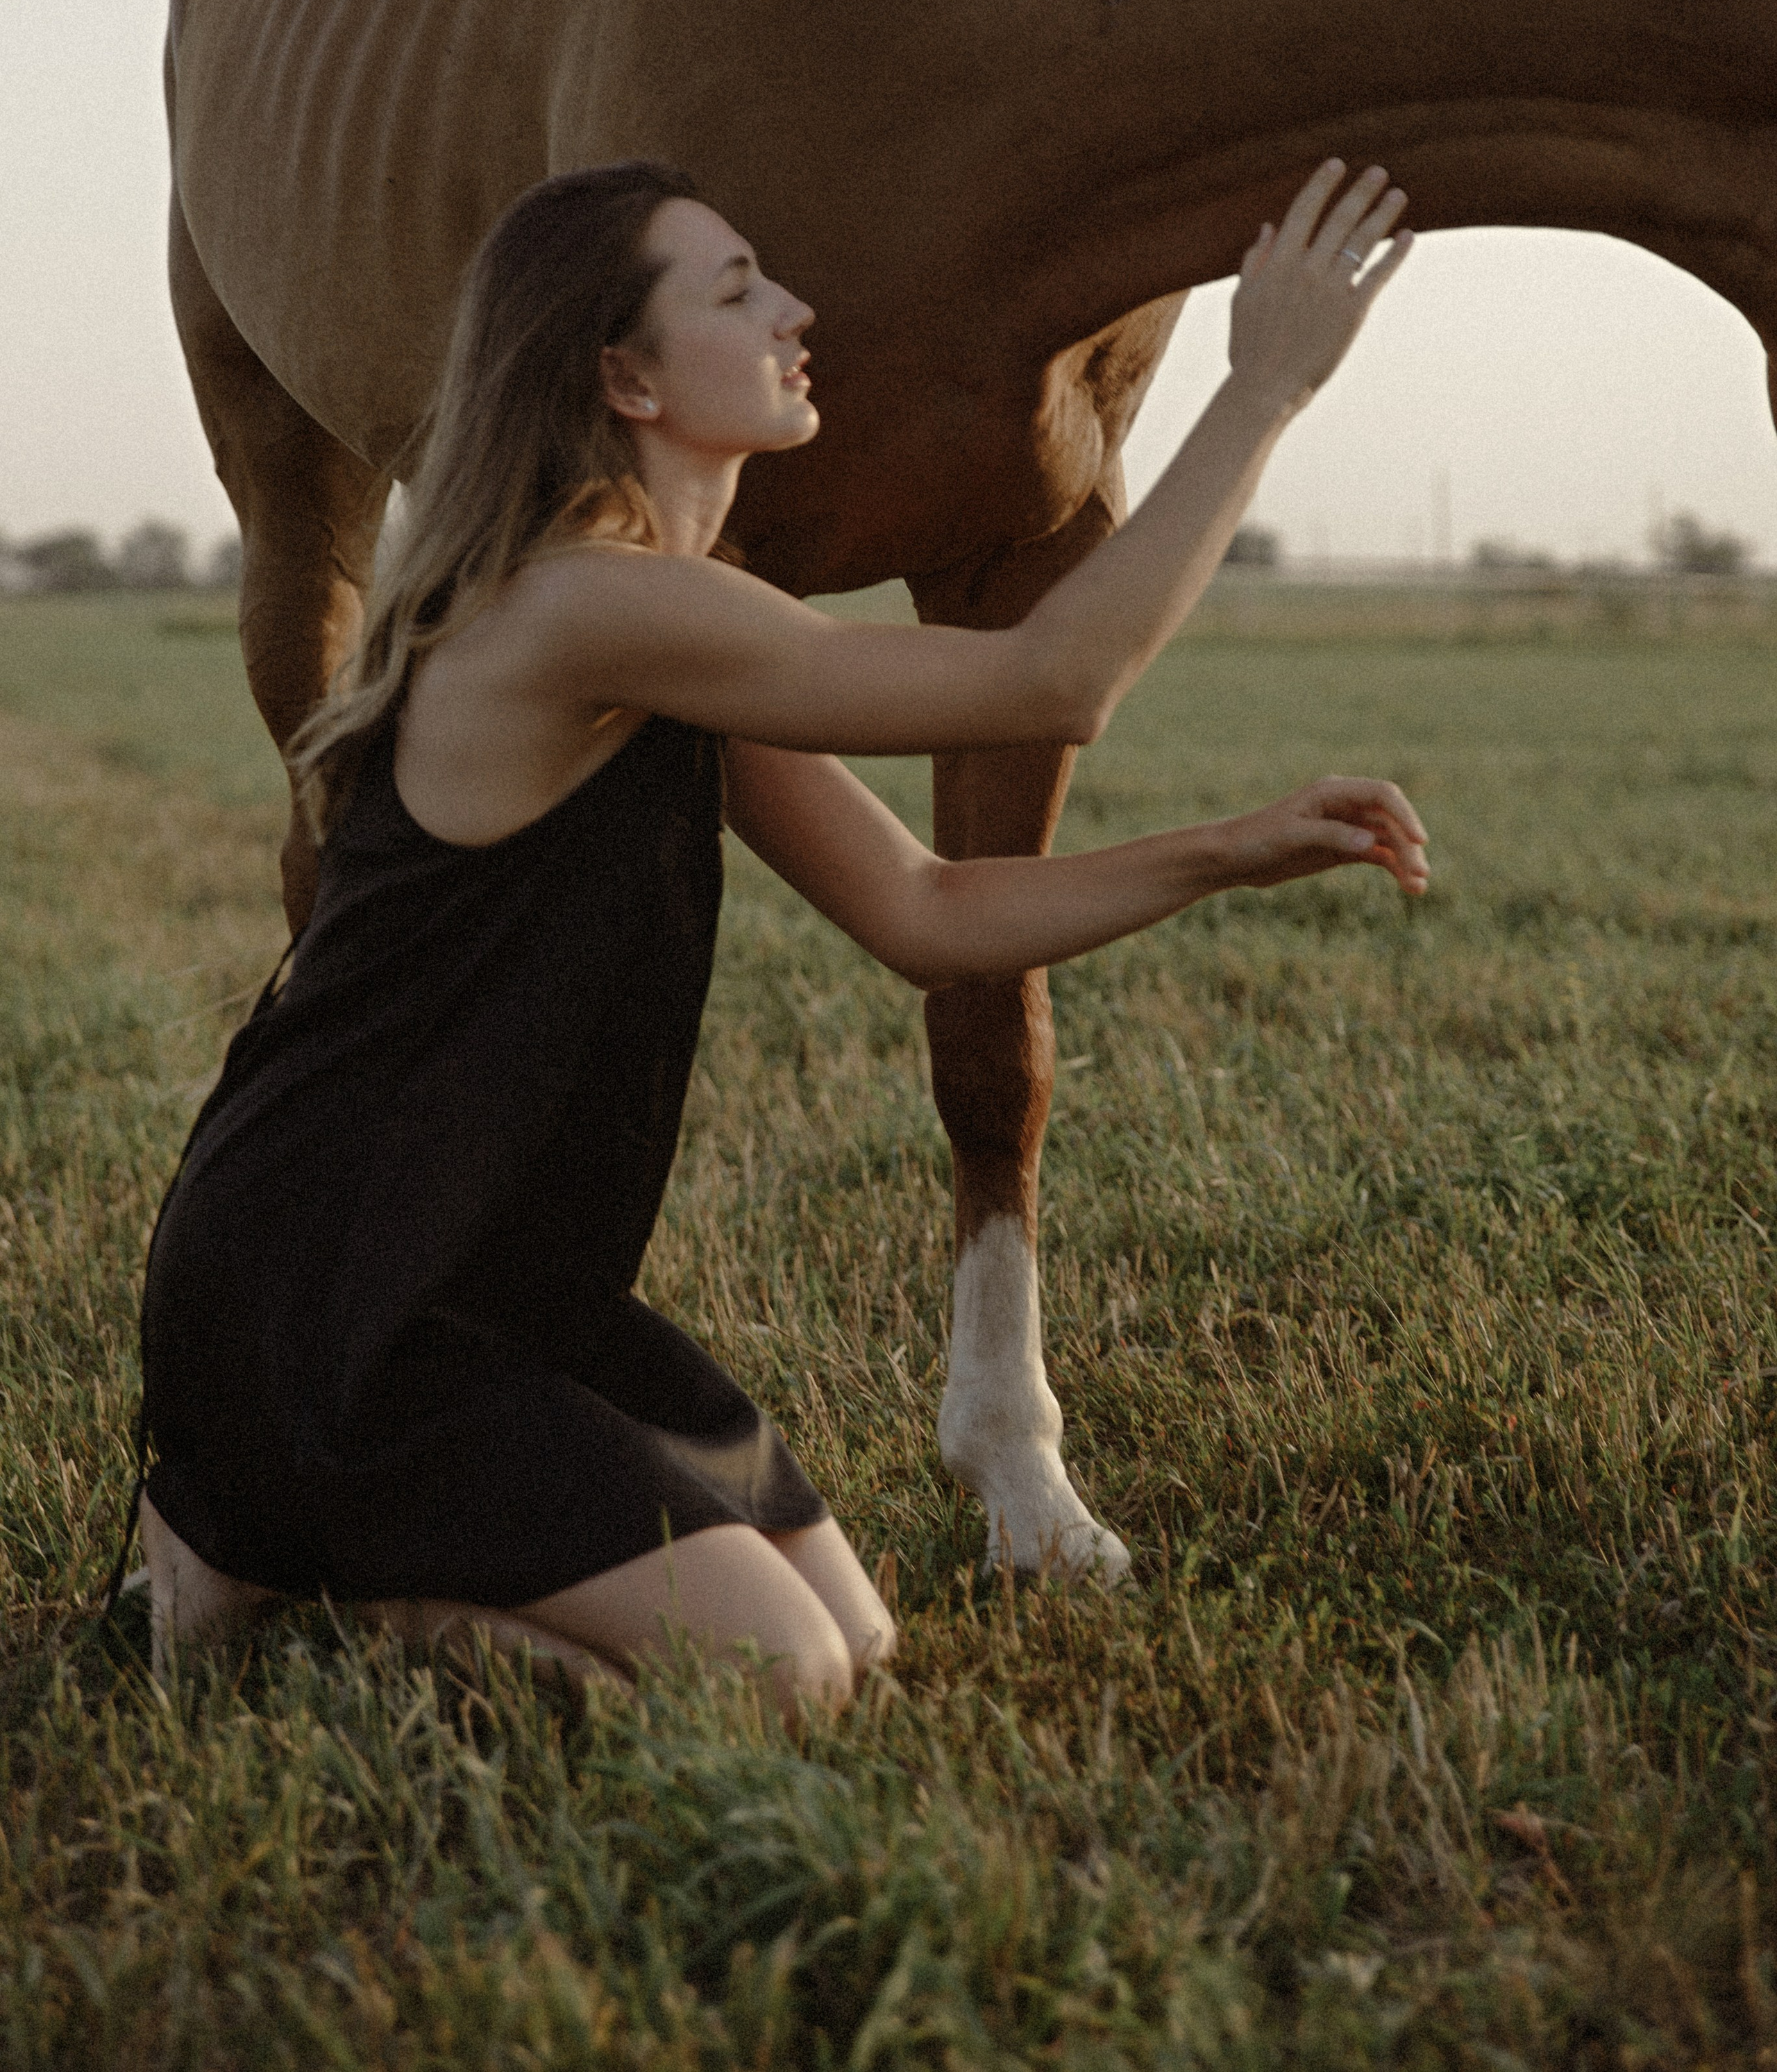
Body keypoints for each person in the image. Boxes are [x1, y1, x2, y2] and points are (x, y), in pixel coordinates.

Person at [135, 154, 1424, 1716]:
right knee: (777, 1678)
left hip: (495, 1295)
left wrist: (1227, 850)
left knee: (857, 1648)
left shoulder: (675, 617)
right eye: (737, 290)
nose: (797, 310)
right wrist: (1263, 386)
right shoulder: (587, 607)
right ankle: (286, 1582)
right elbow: (1048, 680)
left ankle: (282, 1546)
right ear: (621, 373)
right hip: (328, 1296)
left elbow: (929, 916)